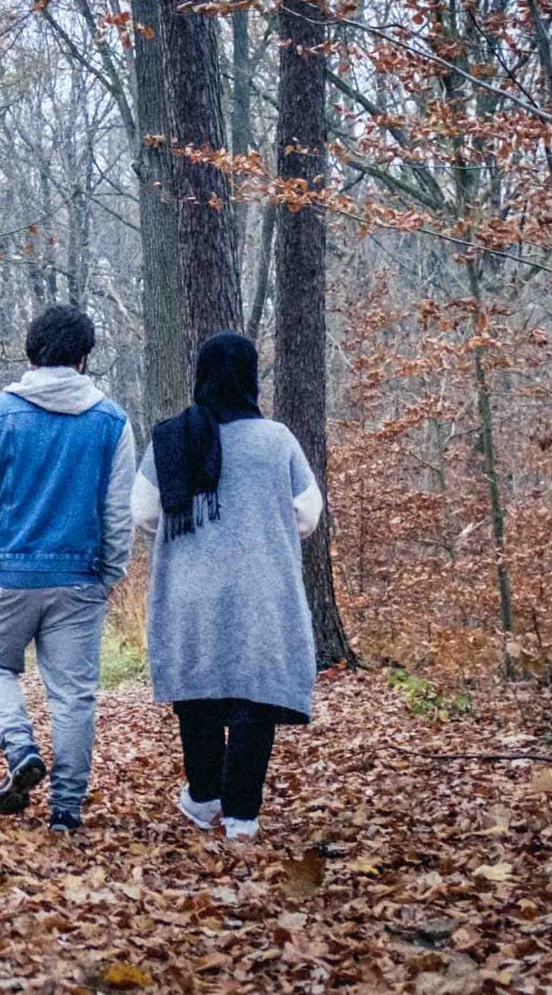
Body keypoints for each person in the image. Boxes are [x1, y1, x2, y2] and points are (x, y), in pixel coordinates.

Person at [132, 331, 324, 841]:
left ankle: (202, 796)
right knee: (253, 696)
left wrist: (190, 522)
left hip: (190, 587)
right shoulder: (277, 440)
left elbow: (143, 511)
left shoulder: (171, 437)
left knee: (197, 689)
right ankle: (241, 815)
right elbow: (307, 514)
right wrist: (261, 518)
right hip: (261, 587)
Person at [0, 305, 135, 834]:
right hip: (79, 575)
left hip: (7, 571)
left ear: (31, 353)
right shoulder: (111, 421)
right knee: (73, 695)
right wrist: (108, 573)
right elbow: (116, 510)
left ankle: (19, 748)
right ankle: (66, 809)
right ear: (84, 359)